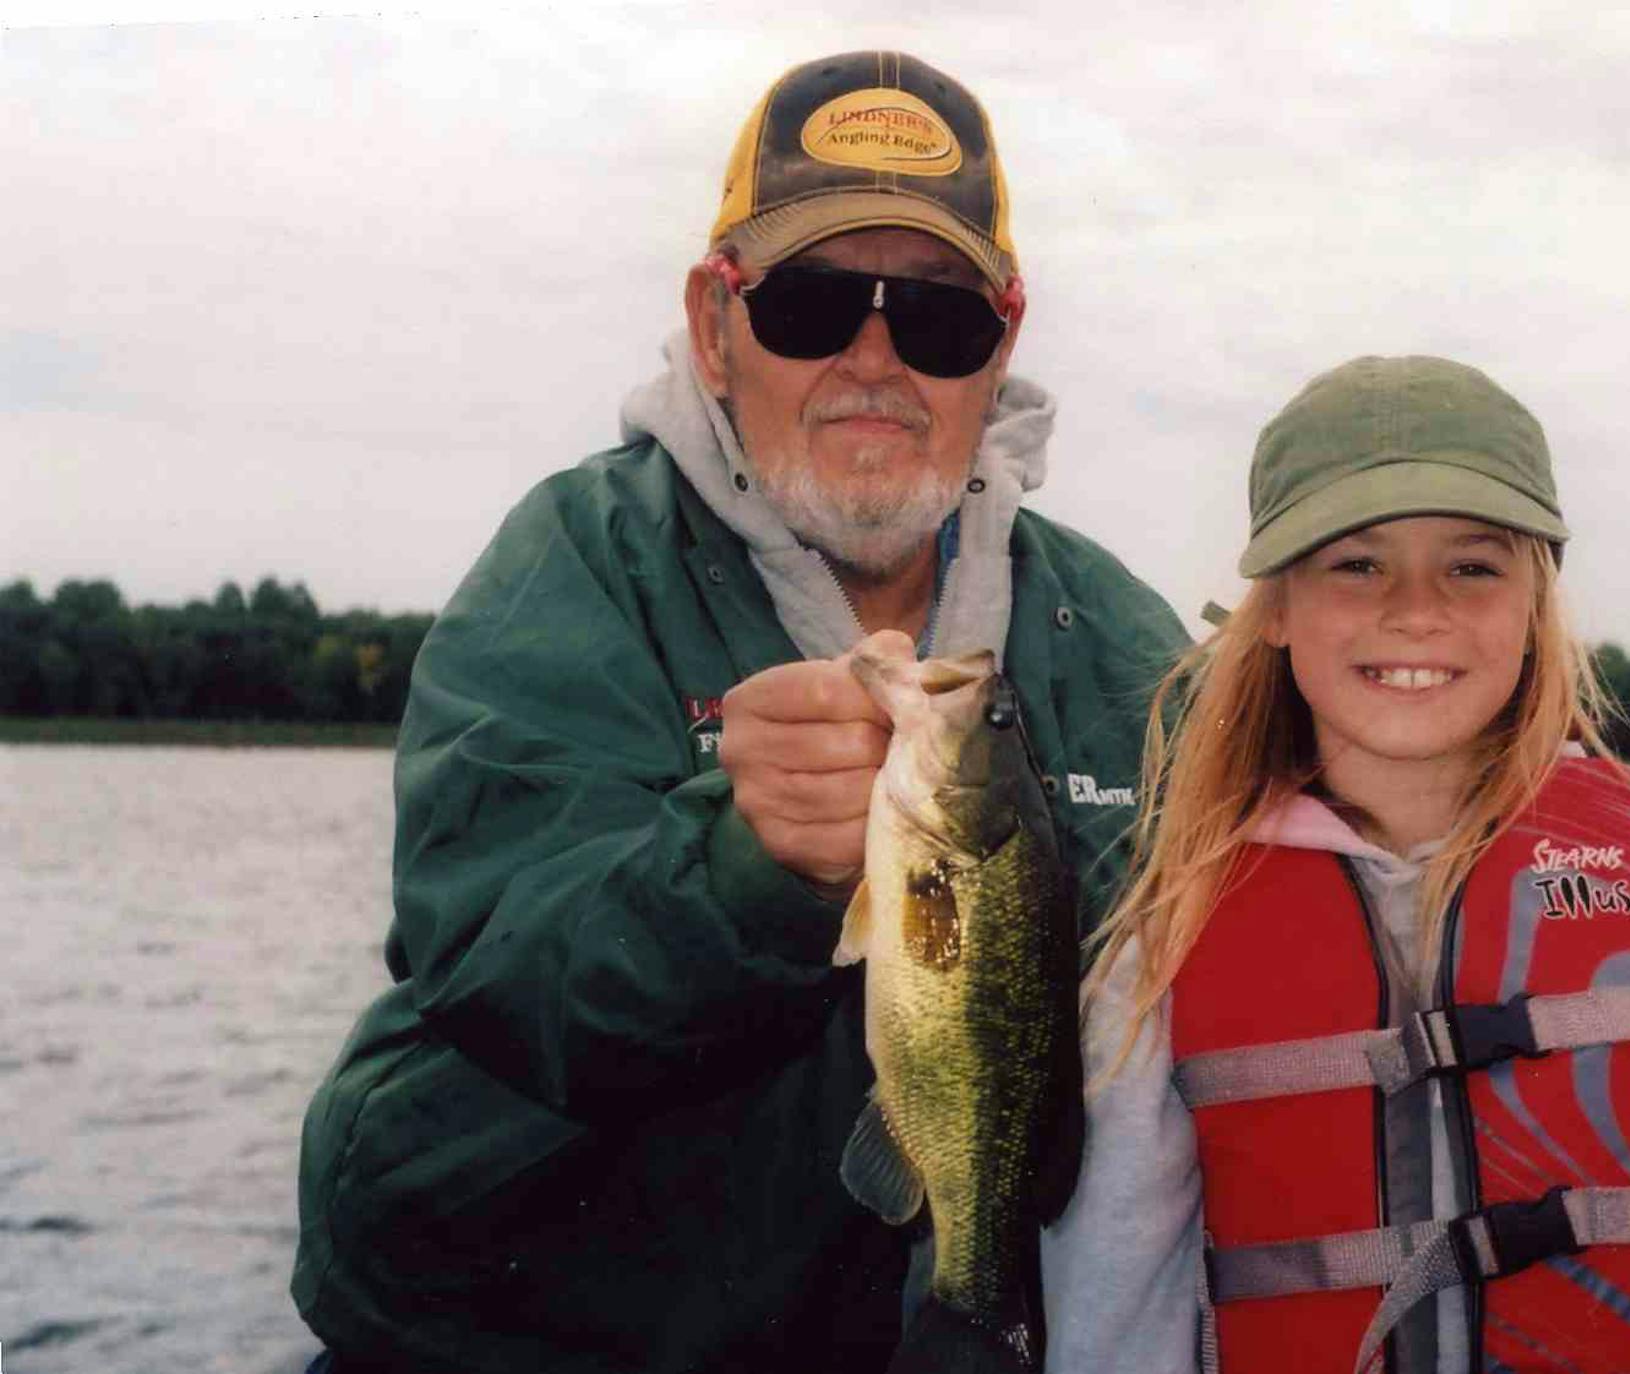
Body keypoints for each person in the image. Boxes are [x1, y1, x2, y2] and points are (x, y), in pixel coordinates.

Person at [290, 51, 1184, 1373]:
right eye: (815, 302)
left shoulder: (1119, 646)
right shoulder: (577, 566)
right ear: (715, 323)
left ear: (1001, 348)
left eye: (937, 321)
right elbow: (497, 965)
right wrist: (738, 867)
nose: (875, 359)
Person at [1040, 356, 1630, 1374]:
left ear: (1534, 604)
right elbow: (1111, 1313)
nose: (1415, 611)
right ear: (1278, 609)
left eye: (1473, 566)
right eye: (1355, 563)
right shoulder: (1166, 946)